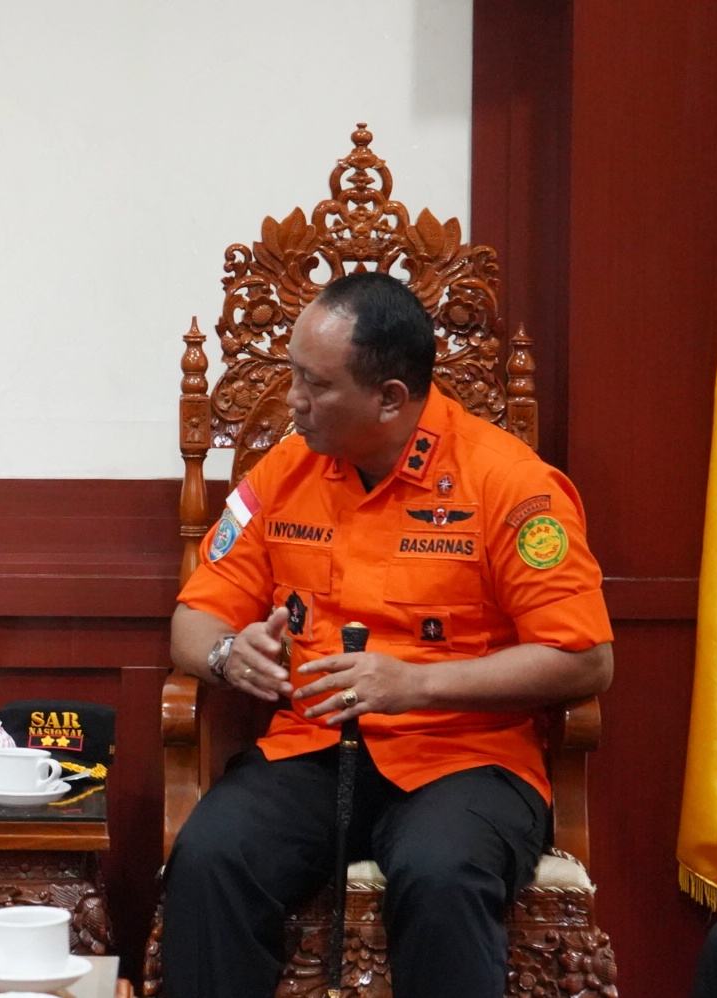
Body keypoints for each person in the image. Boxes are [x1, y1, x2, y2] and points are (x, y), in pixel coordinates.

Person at [162, 271, 614, 998]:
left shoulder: (508, 483)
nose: (292, 400)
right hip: (314, 747)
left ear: (390, 398)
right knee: (212, 857)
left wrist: (415, 684)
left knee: (441, 874)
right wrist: (226, 654)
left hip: (466, 758)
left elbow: (585, 658)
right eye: (293, 375)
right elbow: (193, 618)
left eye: (315, 384)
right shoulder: (286, 470)